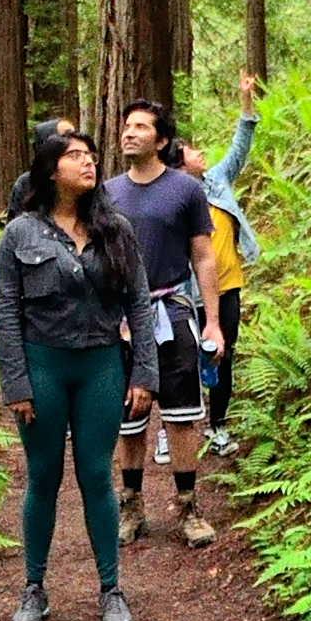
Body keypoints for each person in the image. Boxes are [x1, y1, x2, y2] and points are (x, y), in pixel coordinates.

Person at [0, 128, 154, 621]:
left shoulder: (116, 230)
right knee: (43, 477)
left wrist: (143, 371)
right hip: (43, 367)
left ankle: (111, 591)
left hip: (101, 365)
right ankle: (34, 588)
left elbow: (139, 304)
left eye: (89, 156)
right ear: (50, 169)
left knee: (95, 476)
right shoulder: (21, 233)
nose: (88, 163)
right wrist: (16, 382)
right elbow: (6, 312)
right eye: (75, 156)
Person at [105, 100, 223, 548]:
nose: (129, 133)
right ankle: (131, 506)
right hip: (118, 322)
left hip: (171, 311)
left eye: (140, 127)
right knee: (127, 418)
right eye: (126, 126)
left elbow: (204, 255)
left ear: (162, 140)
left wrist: (212, 321)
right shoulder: (108, 193)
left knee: (182, 416)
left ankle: (188, 507)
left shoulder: (185, 190)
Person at [176, 71, 262, 460]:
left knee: (222, 354)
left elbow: (241, 145)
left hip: (228, 286)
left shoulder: (217, 182)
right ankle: (175, 431)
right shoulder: (171, 197)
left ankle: (218, 426)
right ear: (180, 162)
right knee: (182, 360)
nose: (200, 153)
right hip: (185, 292)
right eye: (192, 151)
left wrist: (246, 100)